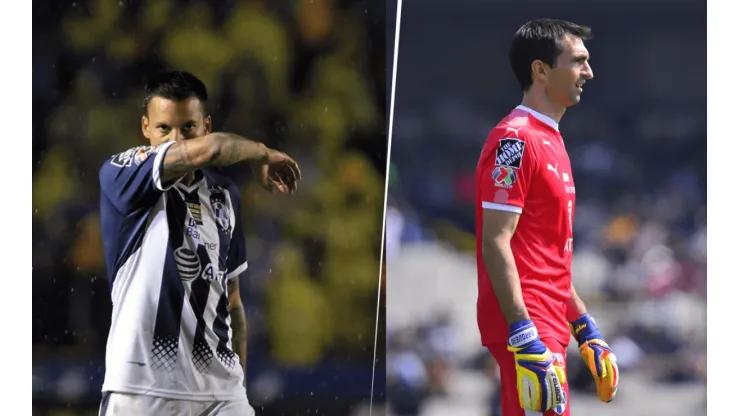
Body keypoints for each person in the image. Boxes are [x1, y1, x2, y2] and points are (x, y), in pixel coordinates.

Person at [97, 70, 301, 415]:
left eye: (188, 128)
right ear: (145, 127)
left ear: (206, 125)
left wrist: (239, 386)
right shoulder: (122, 174)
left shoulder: (224, 195)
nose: (176, 139)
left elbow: (232, 301)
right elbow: (211, 150)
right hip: (142, 390)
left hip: (220, 393)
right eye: (164, 129)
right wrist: (261, 152)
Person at [476, 19, 619, 416]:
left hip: (550, 324)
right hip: (529, 328)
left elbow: (547, 254)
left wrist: (584, 325)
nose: (588, 72)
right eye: (578, 62)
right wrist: (523, 334)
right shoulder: (515, 141)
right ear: (541, 70)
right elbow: (496, 240)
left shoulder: (551, 139)